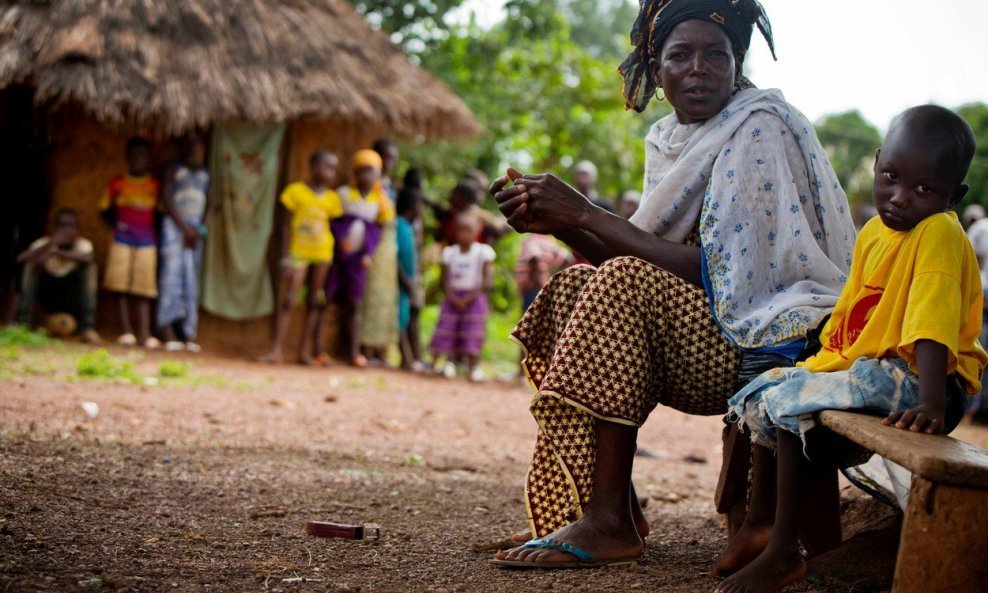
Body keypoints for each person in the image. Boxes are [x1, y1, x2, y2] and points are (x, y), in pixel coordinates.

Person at [490, 0, 856, 569]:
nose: (699, 68)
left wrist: (585, 213)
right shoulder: (672, 139)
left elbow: (734, 279)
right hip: (702, 334)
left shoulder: (758, 127)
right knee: (570, 287)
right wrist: (562, 225)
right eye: (679, 55)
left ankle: (608, 523)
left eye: (718, 55)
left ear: (738, 65)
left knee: (620, 280)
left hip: (759, 347)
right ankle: (612, 507)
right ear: (655, 70)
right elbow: (647, 256)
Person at [717, 105, 986, 593]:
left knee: (791, 401)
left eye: (923, 189)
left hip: (927, 384)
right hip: (879, 373)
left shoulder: (940, 233)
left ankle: (783, 551)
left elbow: (933, 322)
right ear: (879, 162)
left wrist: (929, 401)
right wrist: (812, 366)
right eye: (892, 177)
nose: (901, 198)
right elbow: (850, 316)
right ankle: (760, 525)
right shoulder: (874, 233)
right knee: (768, 388)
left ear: (953, 195)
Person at [258, 150, 343, 365]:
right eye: (327, 166)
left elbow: (333, 227)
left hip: (322, 253)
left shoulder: (332, 199)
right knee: (288, 299)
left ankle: (303, 352)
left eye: (334, 169)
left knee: (314, 301)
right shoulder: (295, 192)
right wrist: (286, 255)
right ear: (313, 166)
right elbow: (285, 226)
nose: (331, 173)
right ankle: (276, 350)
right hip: (298, 252)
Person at [324, 149, 395, 367]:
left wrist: (367, 253)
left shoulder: (381, 202)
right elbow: (334, 222)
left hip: (359, 261)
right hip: (339, 258)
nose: (365, 176)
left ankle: (354, 353)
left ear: (378, 175)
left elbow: (378, 231)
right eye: (361, 171)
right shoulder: (343, 195)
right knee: (326, 299)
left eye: (370, 171)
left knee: (354, 303)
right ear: (355, 172)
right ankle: (320, 349)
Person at [100, 137, 161, 349]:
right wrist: (118, 226)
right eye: (134, 156)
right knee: (120, 285)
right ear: (127, 158)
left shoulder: (154, 185)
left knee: (144, 288)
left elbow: (160, 213)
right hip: (121, 238)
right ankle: (126, 331)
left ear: (148, 158)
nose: (138, 160)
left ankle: (144, 334)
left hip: (146, 240)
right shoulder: (117, 184)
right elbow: (105, 209)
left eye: (142, 156)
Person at [15, 208, 100, 343]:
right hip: (47, 298)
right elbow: (21, 260)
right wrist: (49, 246)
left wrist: (57, 252)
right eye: (62, 225)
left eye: (71, 226)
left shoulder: (82, 245)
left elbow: (88, 258)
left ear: (77, 228)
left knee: (90, 269)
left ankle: (87, 328)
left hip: (71, 300)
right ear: (55, 227)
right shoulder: (44, 243)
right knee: (30, 266)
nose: (66, 230)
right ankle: (23, 323)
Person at [158, 134, 209, 352]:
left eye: (197, 148)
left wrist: (198, 231)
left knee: (191, 280)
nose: (193, 152)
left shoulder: (206, 174)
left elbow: (210, 204)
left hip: (195, 232)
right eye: (189, 147)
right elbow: (167, 199)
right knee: (170, 279)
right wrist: (184, 228)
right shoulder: (173, 170)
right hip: (175, 229)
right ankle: (167, 331)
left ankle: (188, 333)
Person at [429, 214, 495, 382]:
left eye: (468, 230)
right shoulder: (449, 253)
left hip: (474, 299)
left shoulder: (484, 252)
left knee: (472, 333)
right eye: (460, 230)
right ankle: (447, 363)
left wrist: (470, 297)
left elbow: (487, 278)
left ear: (477, 230)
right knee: (449, 330)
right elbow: (444, 279)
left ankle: (474, 368)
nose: (463, 234)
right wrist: (452, 297)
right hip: (453, 299)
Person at [395, 187, 425, 372]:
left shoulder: (407, 227)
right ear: (413, 207)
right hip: (401, 282)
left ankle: (410, 358)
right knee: (400, 319)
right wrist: (405, 279)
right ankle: (406, 358)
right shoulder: (399, 225)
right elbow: (395, 256)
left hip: (408, 281)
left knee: (405, 317)